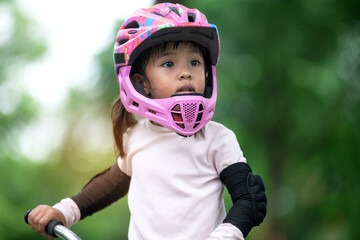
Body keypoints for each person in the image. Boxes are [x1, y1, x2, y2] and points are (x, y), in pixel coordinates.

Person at [27, 3, 267, 239]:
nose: (186, 72)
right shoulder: (135, 137)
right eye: (168, 63)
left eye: (194, 62)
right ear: (141, 82)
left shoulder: (217, 138)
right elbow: (110, 185)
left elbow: (249, 200)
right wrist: (62, 211)